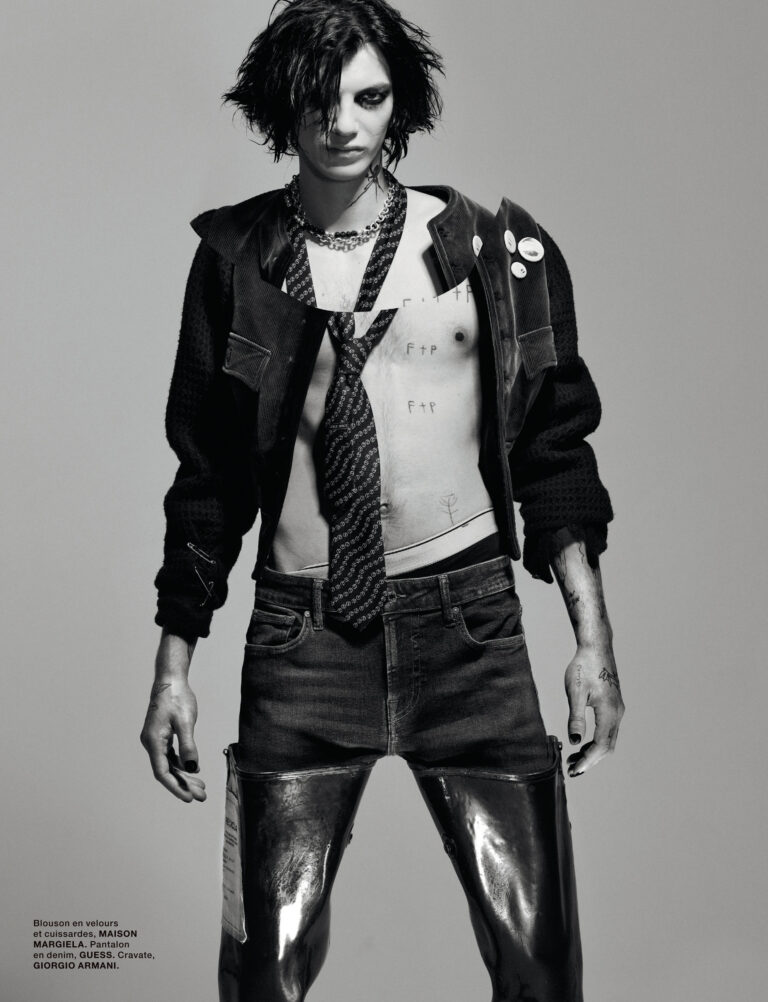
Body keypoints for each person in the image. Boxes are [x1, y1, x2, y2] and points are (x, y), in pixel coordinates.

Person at [140, 1, 625, 999]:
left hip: (470, 633)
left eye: (368, 97)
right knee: (263, 971)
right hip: (303, 640)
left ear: (400, 102)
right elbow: (209, 477)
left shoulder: (494, 251)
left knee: (540, 964)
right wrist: (172, 669)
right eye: (320, 101)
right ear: (283, 106)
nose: (343, 123)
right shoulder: (237, 262)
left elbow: (554, 451)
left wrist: (593, 646)